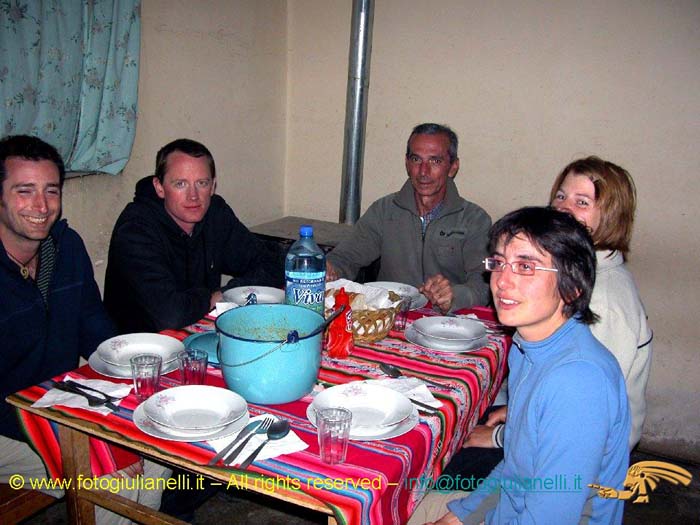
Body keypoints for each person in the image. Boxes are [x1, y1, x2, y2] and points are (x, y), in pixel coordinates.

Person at [408, 207, 630, 525]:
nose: (502, 281)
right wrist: (459, 518)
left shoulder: (577, 383)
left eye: (525, 266)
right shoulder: (527, 349)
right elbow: (517, 470)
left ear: (572, 287)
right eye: (499, 263)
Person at [445, 157, 651, 479]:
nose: (563, 209)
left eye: (582, 202)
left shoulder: (604, 301)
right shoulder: (580, 270)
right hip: (544, 426)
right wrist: (517, 411)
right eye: (560, 196)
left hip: (578, 463)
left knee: (448, 463)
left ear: (611, 216)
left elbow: (582, 415)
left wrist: (500, 438)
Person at [0, 135, 167, 524]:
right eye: (25, 191)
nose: (41, 206)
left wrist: (145, 373)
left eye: (51, 191)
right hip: (11, 423)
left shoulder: (66, 248)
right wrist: (74, 437)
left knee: (158, 449)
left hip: (55, 405)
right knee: (111, 479)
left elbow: (98, 334)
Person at [104, 138, 284, 333]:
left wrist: (226, 294)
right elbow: (170, 315)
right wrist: (212, 298)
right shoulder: (136, 229)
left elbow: (271, 262)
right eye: (180, 184)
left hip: (197, 339)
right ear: (159, 187)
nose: (193, 196)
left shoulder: (215, 213)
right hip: (140, 352)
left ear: (213, 186)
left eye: (202, 183)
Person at [326, 123, 491, 313]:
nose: (423, 171)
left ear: (453, 167)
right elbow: (346, 257)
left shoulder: (474, 219)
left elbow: (485, 283)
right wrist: (330, 269)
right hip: (390, 320)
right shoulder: (384, 210)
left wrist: (455, 295)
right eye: (416, 159)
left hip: (449, 325)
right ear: (407, 163)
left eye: (435, 161)